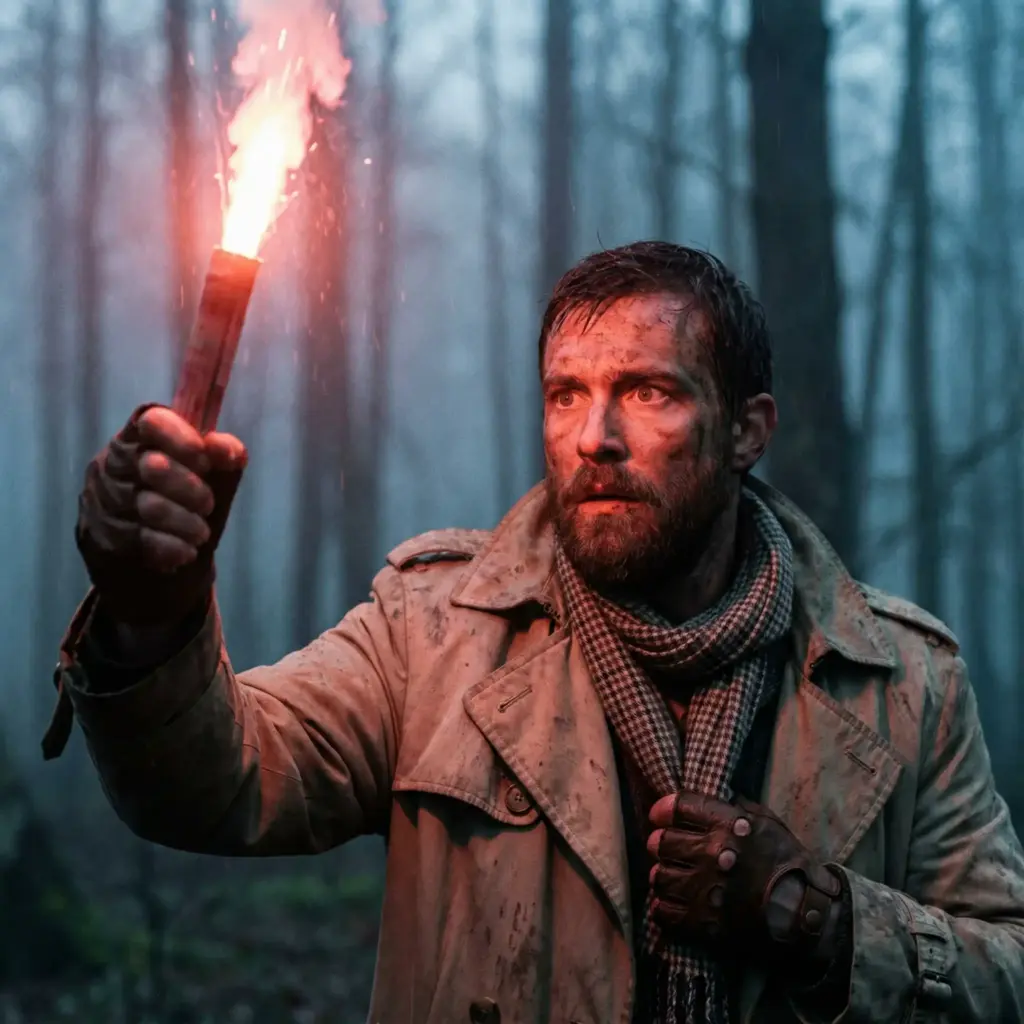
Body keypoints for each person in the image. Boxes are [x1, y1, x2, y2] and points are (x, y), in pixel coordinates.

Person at [45, 242, 1024, 1024]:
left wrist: (818, 918)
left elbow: (1010, 968)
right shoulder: (432, 630)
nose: (593, 434)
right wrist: (151, 608)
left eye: (648, 391)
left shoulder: (900, 678)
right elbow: (219, 784)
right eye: (566, 394)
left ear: (746, 430)